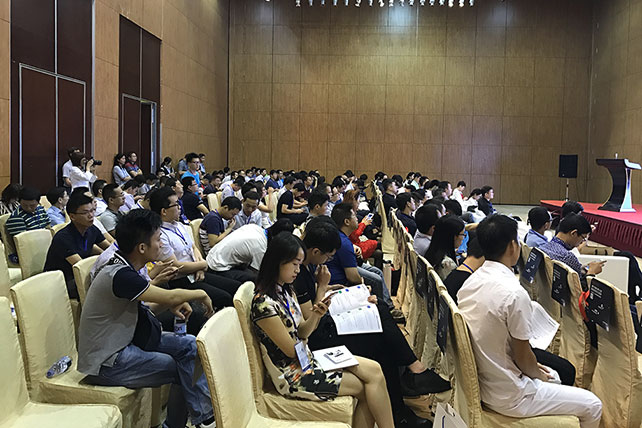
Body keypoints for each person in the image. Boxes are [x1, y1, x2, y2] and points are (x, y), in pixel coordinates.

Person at [296, 218, 448, 427]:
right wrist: (323, 287)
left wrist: (336, 290)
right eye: (328, 257)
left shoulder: (306, 266)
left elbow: (315, 300)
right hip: (320, 337)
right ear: (315, 251)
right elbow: (310, 320)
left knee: (379, 311)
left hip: (326, 323)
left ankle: (403, 400)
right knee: (381, 339)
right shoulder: (299, 272)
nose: (327, 261)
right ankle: (411, 380)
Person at [457, 214, 602, 427]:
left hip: (485, 381)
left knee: (555, 374)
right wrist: (537, 374)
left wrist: (535, 368)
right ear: (512, 246)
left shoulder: (470, 283)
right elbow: (523, 358)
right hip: (510, 394)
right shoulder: (513, 293)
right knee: (593, 404)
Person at [77, 209, 216, 428]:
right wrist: (200, 294)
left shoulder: (127, 266)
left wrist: (172, 302)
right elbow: (171, 296)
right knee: (181, 366)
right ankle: (201, 420)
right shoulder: (119, 274)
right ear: (142, 248)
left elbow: (148, 307)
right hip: (107, 361)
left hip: (128, 340)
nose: (161, 245)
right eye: (158, 239)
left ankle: (200, 417)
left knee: (191, 345)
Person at [251, 232, 395, 428]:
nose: (298, 270)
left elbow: (302, 331)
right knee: (365, 388)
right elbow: (291, 351)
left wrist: (316, 315)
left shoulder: (286, 290)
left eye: (299, 264)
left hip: (307, 359)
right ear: (278, 262)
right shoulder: (263, 305)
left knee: (375, 370)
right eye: (294, 264)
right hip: (293, 374)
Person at [444, 236, 577, 387]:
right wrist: (534, 370)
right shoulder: (472, 283)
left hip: (492, 354)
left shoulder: (470, 280)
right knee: (568, 374)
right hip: (499, 361)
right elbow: (520, 354)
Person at [151, 186, 241, 309]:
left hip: (196, 272)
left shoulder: (178, 225)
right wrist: (202, 264)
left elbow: (193, 248)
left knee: (236, 286)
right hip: (180, 280)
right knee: (224, 297)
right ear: (164, 211)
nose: (179, 207)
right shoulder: (160, 235)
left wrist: (199, 267)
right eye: (176, 204)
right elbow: (175, 266)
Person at [326, 203, 395, 314]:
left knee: (377, 272)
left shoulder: (342, 237)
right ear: (347, 222)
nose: (357, 218)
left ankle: (388, 305)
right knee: (376, 279)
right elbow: (352, 277)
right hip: (340, 278)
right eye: (354, 215)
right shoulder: (344, 243)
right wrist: (361, 282)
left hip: (345, 267)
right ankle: (382, 311)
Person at [44, 193, 110, 298]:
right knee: (105, 284)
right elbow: (81, 267)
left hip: (78, 277)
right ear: (72, 216)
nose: (91, 215)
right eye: (85, 212)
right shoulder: (63, 238)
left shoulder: (91, 229)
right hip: (61, 282)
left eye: (92, 210)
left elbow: (110, 249)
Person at [207, 219, 294, 283]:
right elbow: (257, 272)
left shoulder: (254, 227)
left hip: (213, 255)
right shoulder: (260, 247)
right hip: (218, 267)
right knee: (257, 279)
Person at [539, 213, 605, 286]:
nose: (581, 242)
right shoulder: (567, 257)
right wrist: (592, 273)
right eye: (583, 238)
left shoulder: (542, 247)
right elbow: (580, 288)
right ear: (573, 233)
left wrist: (582, 268)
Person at [6, 187, 51, 261]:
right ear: (19, 202)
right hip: (31, 251)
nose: (28, 208)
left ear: (38, 202)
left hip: (44, 244)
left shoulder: (40, 209)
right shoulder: (16, 218)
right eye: (24, 205)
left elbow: (48, 227)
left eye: (32, 205)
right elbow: (23, 243)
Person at [425, 214, 465, 280]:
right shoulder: (447, 264)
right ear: (454, 237)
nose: (463, 238)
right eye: (463, 234)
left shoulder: (434, 250)